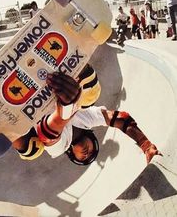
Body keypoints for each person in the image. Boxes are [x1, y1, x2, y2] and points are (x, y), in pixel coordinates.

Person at [12, 67, 161, 165]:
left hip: (22, 109)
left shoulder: (59, 148)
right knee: (92, 94)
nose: (86, 154)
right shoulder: (88, 120)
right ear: (92, 140)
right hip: (54, 78)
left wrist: (67, 106)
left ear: (72, 154)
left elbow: (51, 129)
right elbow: (121, 119)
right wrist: (145, 144)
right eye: (91, 152)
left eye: (83, 158)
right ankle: (71, 57)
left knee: (31, 151)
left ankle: (3, 128)